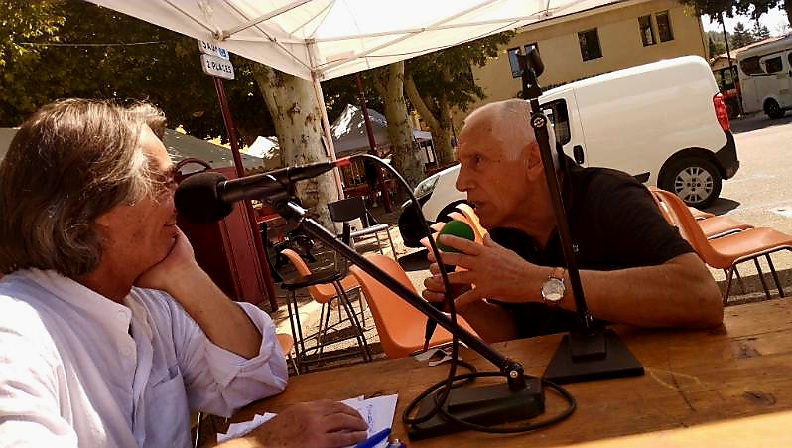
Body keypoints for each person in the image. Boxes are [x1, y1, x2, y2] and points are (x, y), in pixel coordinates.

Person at [0, 99, 367, 448]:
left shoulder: (150, 305)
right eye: (163, 182)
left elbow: (260, 380)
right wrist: (264, 443)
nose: (179, 197)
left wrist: (186, 275)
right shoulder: (14, 330)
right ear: (96, 203)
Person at [422, 99, 723, 343]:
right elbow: (517, 335)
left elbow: (703, 297)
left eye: (477, 161)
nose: (461, 183)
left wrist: (536, 281)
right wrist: (468, 303)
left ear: (533, 160)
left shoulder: (609, 196)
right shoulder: (505, 229)